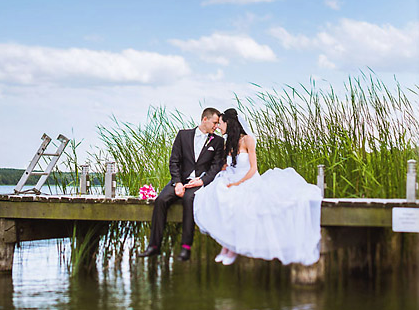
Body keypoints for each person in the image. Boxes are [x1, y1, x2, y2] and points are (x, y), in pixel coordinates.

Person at [193, 108, 322, 266]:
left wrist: (237, 183)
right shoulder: (229, 142)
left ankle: (233, 248)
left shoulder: (248, 140)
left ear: (229, 123)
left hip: (248, 179)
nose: (219, 127)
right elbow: (228, 165)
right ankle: (226, 245)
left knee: (239, 202)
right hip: (232, 176)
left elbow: (253, 168)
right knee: (217, 195)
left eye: (221, 123)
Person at [138, 108, 225, 261]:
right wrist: (177, 182)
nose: (216, 126)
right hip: (179, 180)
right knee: (161, 200)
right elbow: (174, 161)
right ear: (205, 119)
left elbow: (216, 167)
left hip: (199, 183)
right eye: (215, 122)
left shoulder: (218, 141)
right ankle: (154, 246)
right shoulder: (183, 135)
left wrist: (202, 181)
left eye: (218, 124)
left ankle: (186, 247)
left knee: (189, 200)